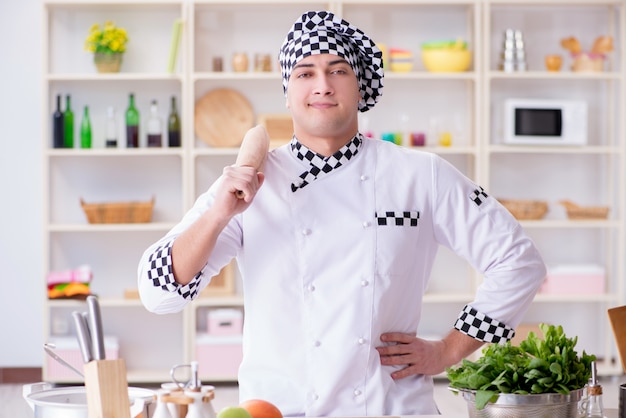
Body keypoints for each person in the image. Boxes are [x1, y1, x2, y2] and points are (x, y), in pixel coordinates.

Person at [138, 10, 546, 416]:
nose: (322, 85)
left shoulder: (421, 174)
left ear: (360, 87)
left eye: (338, 71)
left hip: (390, 407)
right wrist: (218, 215)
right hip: (278, 410)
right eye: (305, 73)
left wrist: (448, 351)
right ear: (287, 91)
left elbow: (519, 262)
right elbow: (158, 295)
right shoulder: (248, 183)